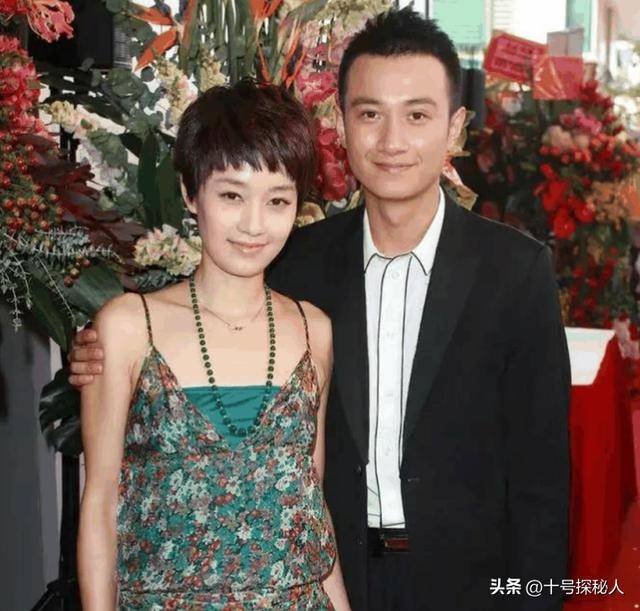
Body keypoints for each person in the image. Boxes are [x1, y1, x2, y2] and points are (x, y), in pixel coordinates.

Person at [71, 9, 571, 611]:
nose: (392, 141)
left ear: (455, 126)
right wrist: (99, 350)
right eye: (370, 114)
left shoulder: (514, 272)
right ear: (341, 121)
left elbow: (542, 479)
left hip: (463, 582)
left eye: (417, 115)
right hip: (331, 573)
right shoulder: (293, 260)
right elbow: (205, 321)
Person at [76, 79, 351, 610]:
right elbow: (100, 504)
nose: (254, 224)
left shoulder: (312, 329)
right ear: (190, 192)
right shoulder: (128, 327)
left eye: (277, 200)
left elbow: (309, 505)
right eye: (231, 195)